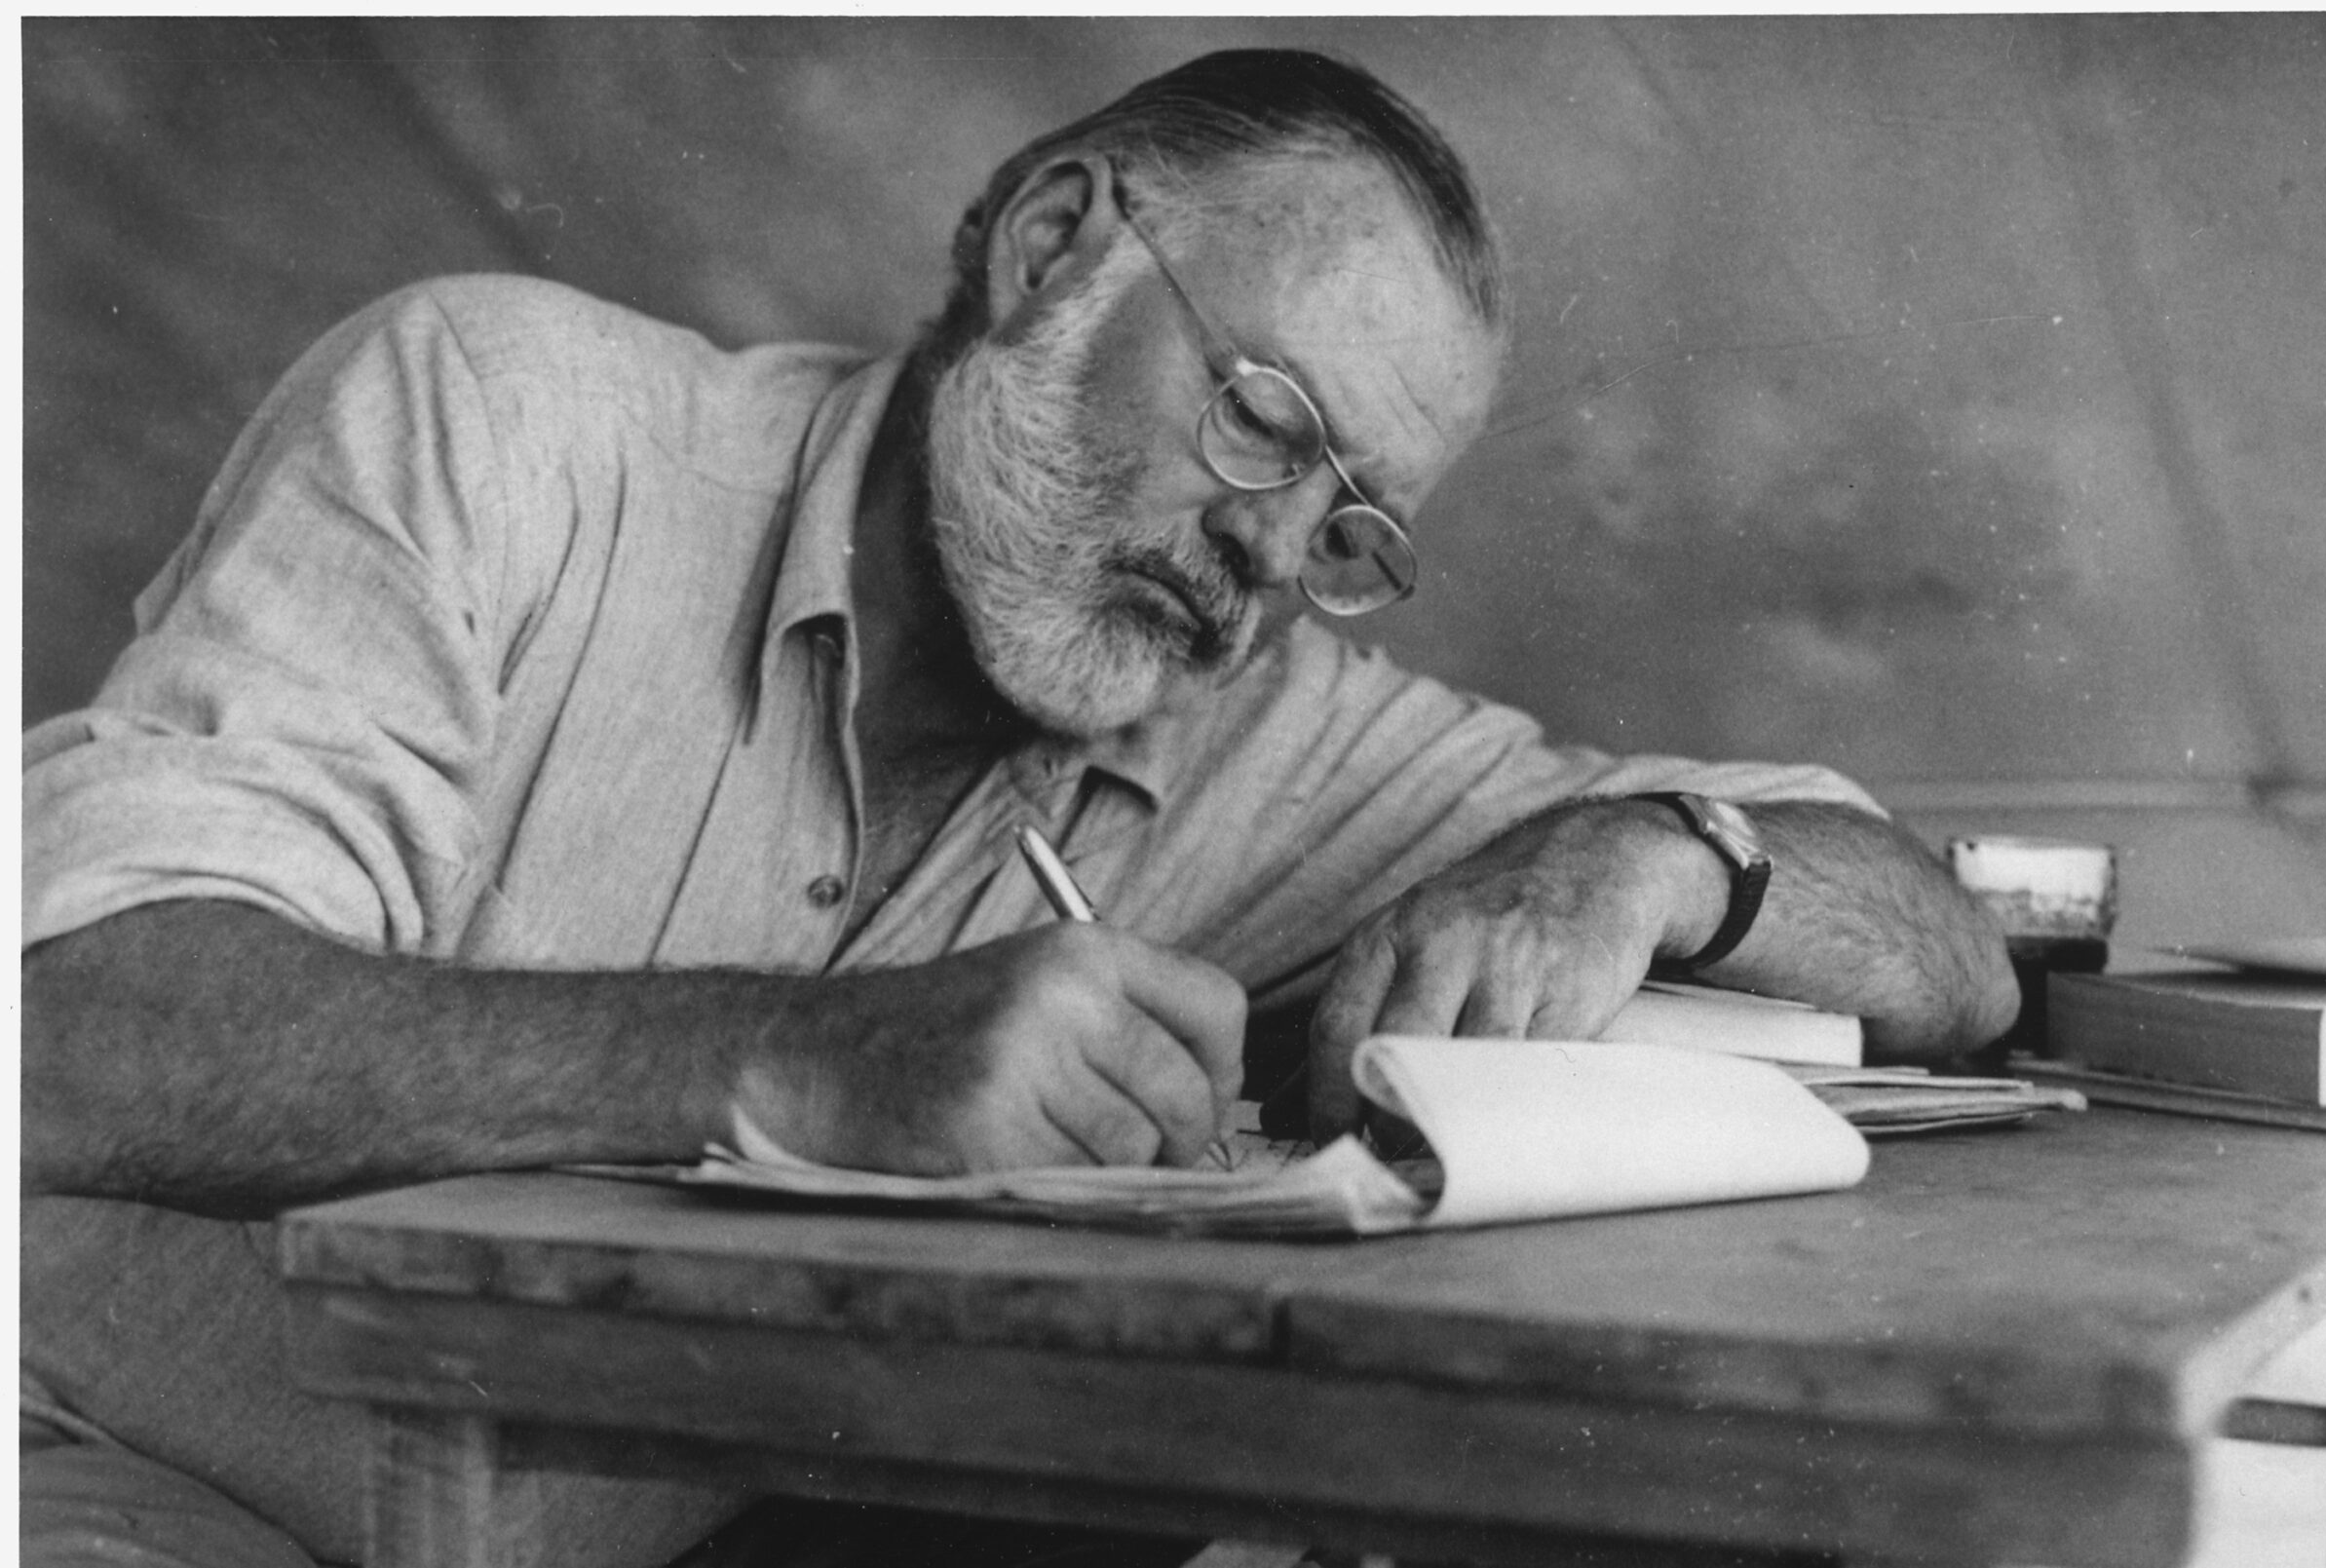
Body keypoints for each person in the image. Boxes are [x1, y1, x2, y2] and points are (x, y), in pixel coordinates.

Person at [20, 48, 2019, 1568]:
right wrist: (806, 1064)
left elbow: (1954, 956)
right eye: (1263, 422)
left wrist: (1655, 853)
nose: (1266, 556)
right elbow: (70, 1032)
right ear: (1052, 242)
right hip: (118, 1479)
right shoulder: (499, 415)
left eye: (1351, 531)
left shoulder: (1261, 722)